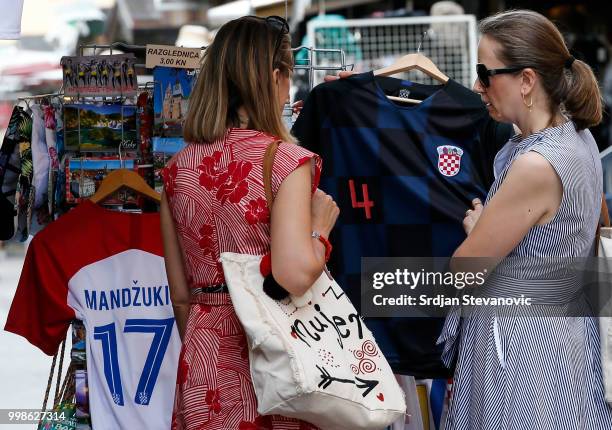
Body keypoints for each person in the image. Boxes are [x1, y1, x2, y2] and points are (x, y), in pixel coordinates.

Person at [160, 16, 338, 430]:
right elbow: (293, 274)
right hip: (276, 351)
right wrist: (320, 229)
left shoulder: (177, 168)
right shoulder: (286, 162)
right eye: (288, 75)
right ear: (274, 76)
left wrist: (210, 334)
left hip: (204, 348)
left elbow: (181, 296)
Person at [436, 10, 612, 429]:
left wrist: (479, 230)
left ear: (527, 80)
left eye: (486, 73)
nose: (478, 86)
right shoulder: (577, 137)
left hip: (523, 357)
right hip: (560, 342)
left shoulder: (536, 164)